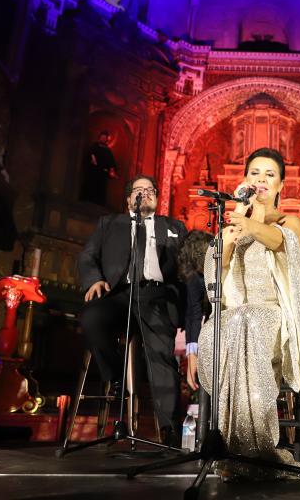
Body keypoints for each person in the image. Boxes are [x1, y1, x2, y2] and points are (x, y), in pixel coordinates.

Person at [192, 147, 300, 478]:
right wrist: (229, 241)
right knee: (234, 321)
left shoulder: (288, 221)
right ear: (244, 180)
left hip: (275, 316)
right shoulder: (234, 225)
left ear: (280, 186)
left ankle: (258, 448)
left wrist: (249, 223)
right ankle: (234, 447)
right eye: (254, 173)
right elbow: (214, 280)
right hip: (235, 315)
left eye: (269, 175)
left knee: (247, 320)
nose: (261, 179)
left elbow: (283, 244)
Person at [77, 174, 187, 444]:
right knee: (91, 317)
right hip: (119, 293)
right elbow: (87, 255)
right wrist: (94, 279)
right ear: (128, 199)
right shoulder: (109, 224)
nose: (145, 193)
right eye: (138, 190)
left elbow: (186, 268)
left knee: (161, 355)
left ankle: (170, 429)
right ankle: (115, 377)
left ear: (158, 198)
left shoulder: (173, 227)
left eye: (150, 190)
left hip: (157, 296)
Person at [176, 229, 213, 391]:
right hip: (205, 318)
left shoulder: (218, 255)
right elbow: (194, 313)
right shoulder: (192, 273)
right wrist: (192, 355)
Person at [80, 130, 119, 206]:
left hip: (102, 175)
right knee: (89, 188)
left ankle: (97, 205)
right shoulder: (93, 147)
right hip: (92, 173)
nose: (103, 139)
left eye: (105, 138)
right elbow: (88, 157)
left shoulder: (108, 151)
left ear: (106, 139)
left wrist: (112, 170)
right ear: (99, 138)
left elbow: (111, 163)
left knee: (100, 191)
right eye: (102, 137)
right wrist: (91, 159)